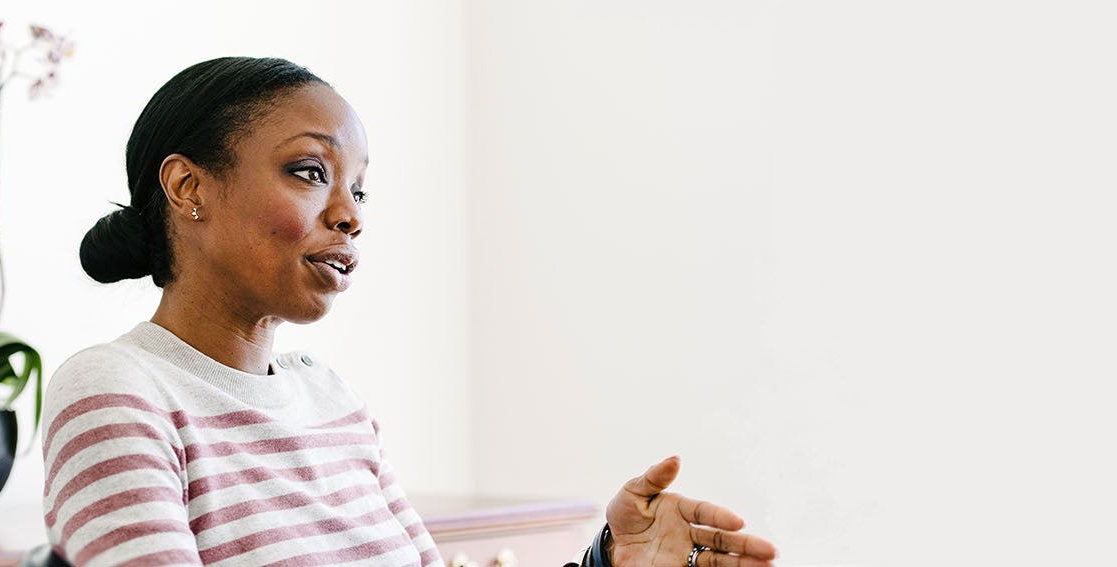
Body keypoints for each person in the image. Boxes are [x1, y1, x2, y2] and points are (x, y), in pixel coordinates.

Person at [44, 56, 778, 567]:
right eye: (309, 172)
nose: (349, 216)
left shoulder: (330, 398)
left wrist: (604, 560)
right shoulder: (118, 389)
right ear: (187, 187)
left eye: (359, 190)